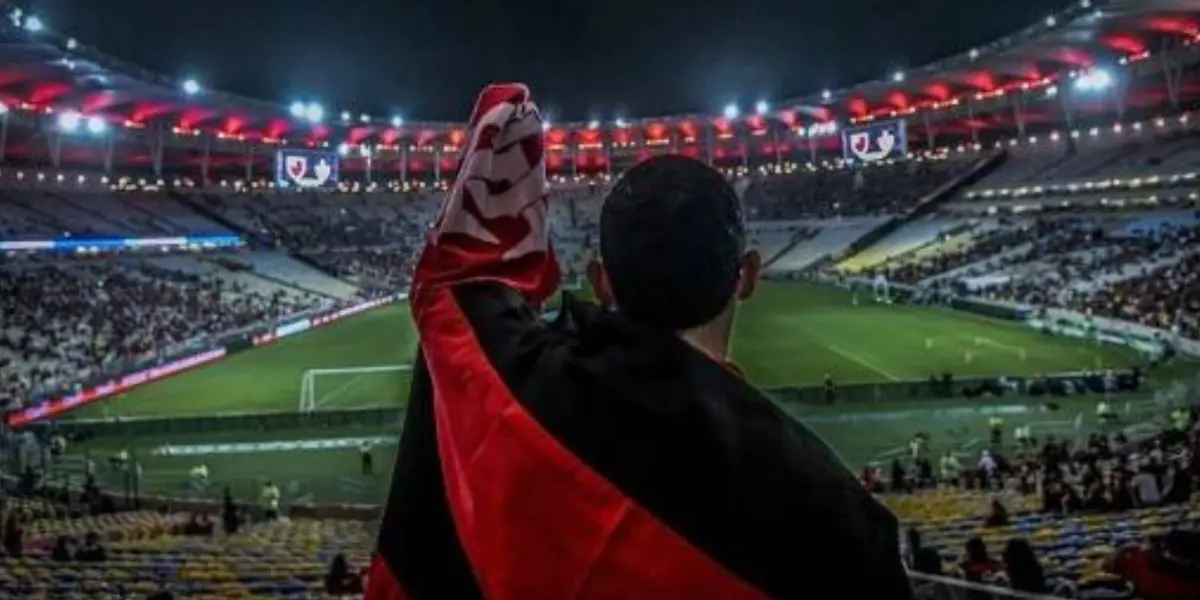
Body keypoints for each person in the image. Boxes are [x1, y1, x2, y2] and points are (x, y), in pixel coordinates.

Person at [366, 84, 912, 600]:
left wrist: (507, 122)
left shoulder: (515, 389)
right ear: (746, 276)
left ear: (601, 281)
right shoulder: (842, 523)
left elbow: (456, 287)